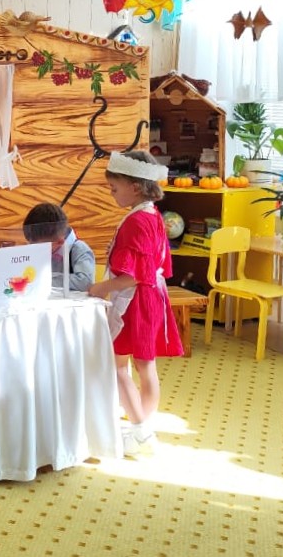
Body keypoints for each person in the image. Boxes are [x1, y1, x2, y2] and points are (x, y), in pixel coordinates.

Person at [87, 150, 183, 455]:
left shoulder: (136, 222)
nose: (111, 193)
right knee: (145, 365)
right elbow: (157, 265)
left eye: (114, 188)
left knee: (118, 366)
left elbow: (131, 277)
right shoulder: (152, 214)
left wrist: (100, 288)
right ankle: (143, 425)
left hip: (135, 301)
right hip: (152, 296)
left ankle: (140, 430)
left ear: (136, 187)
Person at [22, 202, 96, 292]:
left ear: (59, 242)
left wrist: (44, 279)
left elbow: (85, 283)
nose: (35, 251)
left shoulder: (79, 249)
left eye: (40, 247)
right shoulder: (40, 244)